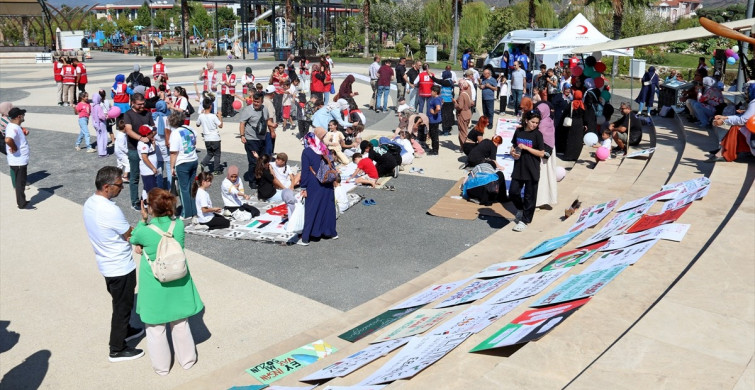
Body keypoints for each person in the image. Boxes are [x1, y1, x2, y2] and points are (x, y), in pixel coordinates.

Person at [129, 187, 203, 375]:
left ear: (150, 207)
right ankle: (187, 361)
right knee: (180, 323)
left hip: (155, 283)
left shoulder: (145, 232)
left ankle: (162, 368)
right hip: (178, 277)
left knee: (155, 328)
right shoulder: (177, 225)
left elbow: (133, 237)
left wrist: (142, 219)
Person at [83, 166, 145, 363]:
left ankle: (126, 330)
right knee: (122, 307)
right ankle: (117, 348)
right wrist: (144, 224)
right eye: (119, 185)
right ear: (107, 186)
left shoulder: (90, 203)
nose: (122, 188)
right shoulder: (110, 210)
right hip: (120, 267)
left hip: (106, 264)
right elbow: (130, 234)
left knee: (119, 302)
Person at [509, 110, 548, 232]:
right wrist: (512, 152)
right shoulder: (519, 131)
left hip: (532, 169)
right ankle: (520, 209)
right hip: (519, 167)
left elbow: (542, 153)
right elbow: (513, 146)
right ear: (526, 120)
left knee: (529, 197)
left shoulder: (538, 135)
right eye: (533, 122)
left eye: (537, 123)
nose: (534, 125)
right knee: (513, 192)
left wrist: (526, 148)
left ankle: (525, 220)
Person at [299, 128, 338, 245]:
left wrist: (303, 187)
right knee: (327, 207)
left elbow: (305, 171)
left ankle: (307, 237)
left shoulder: (307, 152)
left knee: (312, 208)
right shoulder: (325, 149)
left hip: (314, 182)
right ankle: (330, 232)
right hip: (327, 181)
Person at [123, 93, 155, 210]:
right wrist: (142, 138)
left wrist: (151, 136)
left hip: (148, 150)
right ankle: (135, 201)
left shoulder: (147, 113)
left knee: (150, 174)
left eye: (143, 104)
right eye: (139, 104)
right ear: (132, 103)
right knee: (135, 176)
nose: (142, 106)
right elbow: (129, 130)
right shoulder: (128, 114)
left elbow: (154, 128)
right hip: (134, 149)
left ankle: (148, 198)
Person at [168, 110, 199, 220]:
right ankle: (194, 209)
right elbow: (194, 143)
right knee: (192, 187)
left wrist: (171, 167)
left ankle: (187, 213)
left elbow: (173, 153)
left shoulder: (175, 133)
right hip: (193, 159)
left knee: (183, 188)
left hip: (182, 162)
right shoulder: (190, 129)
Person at [238, 91, 271, 189]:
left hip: (262, 138)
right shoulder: (247, 110)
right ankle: (252, 180)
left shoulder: (264, 109)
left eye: (258, 102)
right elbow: (242, 123)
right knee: (253, 161)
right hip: (251, 139)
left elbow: (266, 121)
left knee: (261, 160)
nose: (256, 103)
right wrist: (242, 135)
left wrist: (272, 128)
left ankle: (259, 178)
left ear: (262, 102)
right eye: (254, 101)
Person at [4, 107, 31, 209]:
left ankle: (22, 200)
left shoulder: (14, 126)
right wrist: (14, 147)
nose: (24, 116)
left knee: (21, 181)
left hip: (19, 160)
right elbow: (8, 140)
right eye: (23, 115)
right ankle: (21, 203)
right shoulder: (13, 128)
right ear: (19, 116)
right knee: (20, 182)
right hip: (18, 161)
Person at [535, 102, 558, 208]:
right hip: (550, 152)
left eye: (539, 112)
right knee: (548, 176)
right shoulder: (549, 120)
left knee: (542, 177)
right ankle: (547, 199)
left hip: (542, 153)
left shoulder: (541, 124)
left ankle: (539, 200)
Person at [196, 99, 223, 174]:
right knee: (217, 154)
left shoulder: (201, 116)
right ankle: (216, 169)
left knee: (209, 153)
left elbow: (197, 124)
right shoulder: (213, 116)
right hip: (215, 138)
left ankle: (202, 164)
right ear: (211, 106)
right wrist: (220, 116)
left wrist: (200, 114)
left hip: (207, 138)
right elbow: (220, 125)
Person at [563, 90, 587, 161]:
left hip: (572, 122)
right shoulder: (582, 104)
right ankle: (576, 155)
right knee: (578, 139)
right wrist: (585, 124)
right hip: (580, 122)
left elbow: (566, 112)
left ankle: (569, 156)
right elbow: (585, 115)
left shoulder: (571, 103)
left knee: (571, 139)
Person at [137, 125, 159, 195]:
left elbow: (152, 151)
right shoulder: (143, 144)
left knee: (148, 188)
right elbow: (145, 158)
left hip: (151, 170)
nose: (153, 133)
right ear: (147, 134)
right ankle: (148, 204)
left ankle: (145, 203)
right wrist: (153, 168)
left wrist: (153, 143)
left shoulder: (148, 142)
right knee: (150, 191)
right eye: (151, 132)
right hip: (148, 171)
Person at [454, 80, 474, 149]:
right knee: (465, 131)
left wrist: (455, 103)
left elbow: (460, 106)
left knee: (463, 132)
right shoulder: (467, 93)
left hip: (462, 114)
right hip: (468, 113)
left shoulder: (462, 94)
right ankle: (465, 146)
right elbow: (471, 103)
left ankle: (464, 147)